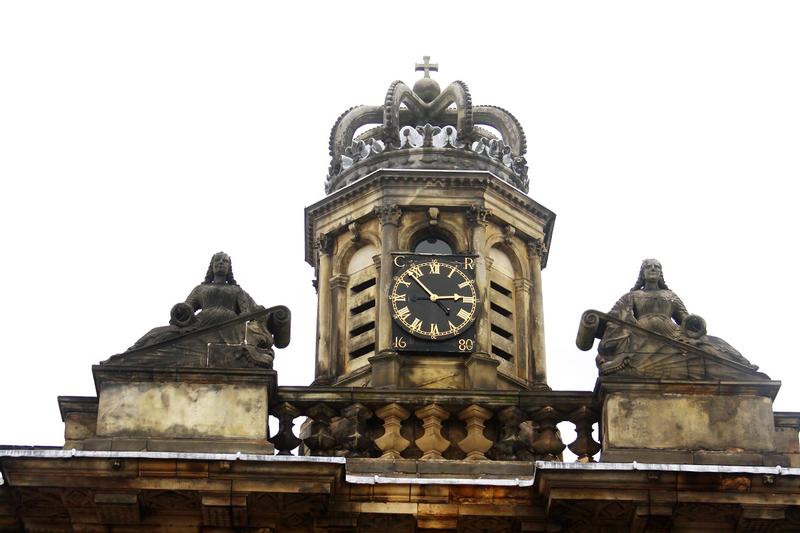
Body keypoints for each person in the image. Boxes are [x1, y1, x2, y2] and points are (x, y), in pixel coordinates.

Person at [597, 259, 756, 375]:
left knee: (712, 345)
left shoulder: (671, 295)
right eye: (649, 267)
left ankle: (742, 366)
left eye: (656, 267)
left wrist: (694, 322)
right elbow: (615, 316)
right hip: (642, 333)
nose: (653, 269)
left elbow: (685, 319)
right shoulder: (631, 296)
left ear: (660, 273)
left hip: (671, 332)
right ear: (643, 273)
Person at [127, 252, 268, 352]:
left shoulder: (237, 290)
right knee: (158, 334)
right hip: (201, 323)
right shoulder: (200, 289)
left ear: (229, 267)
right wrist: (180, 309)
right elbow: (188, 307)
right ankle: (135, 350)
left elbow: (245, 313)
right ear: (211, 266)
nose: (221, 263)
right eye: (217, 260)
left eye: (224, 261)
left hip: (229, 326)